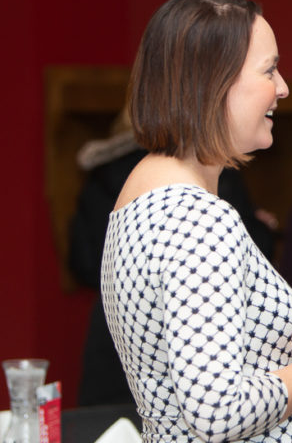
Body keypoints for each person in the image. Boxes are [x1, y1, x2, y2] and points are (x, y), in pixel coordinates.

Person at [100, 0, 292, 443]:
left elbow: (188, 357)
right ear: (215, 83)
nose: (283, 88)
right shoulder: (195, 217)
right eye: (269, 70)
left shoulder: (145, 192)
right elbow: (217, 409)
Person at [69, 105, 278, 407]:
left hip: (114, 329)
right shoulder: (199, 176)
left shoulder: (101, 176)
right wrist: (260, 229)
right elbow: (218, 410)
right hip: (199, 341)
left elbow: (82, 262)